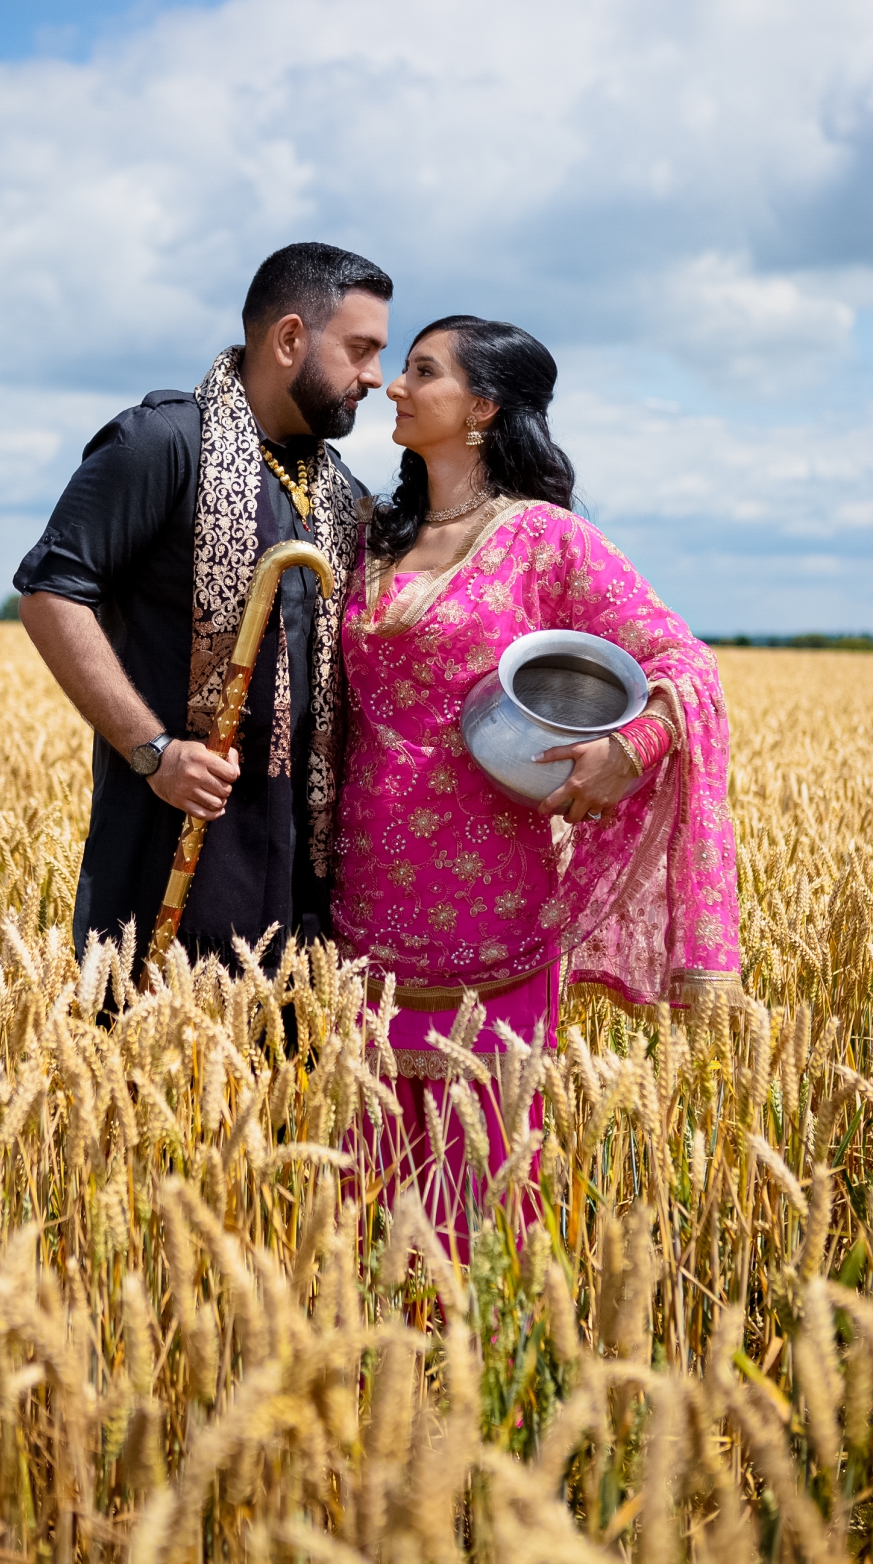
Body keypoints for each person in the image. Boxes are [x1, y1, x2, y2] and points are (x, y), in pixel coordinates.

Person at [330, 315, 740, 1209]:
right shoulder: (370, 538)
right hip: (360, 909)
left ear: (482, 406)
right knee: (357, 1201)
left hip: (495, 921)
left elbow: (685, 663)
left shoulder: (545, 541)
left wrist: (627, 751)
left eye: (421, 371)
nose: (393, 387)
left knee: (480, 1186)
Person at [14, 245, 392, 972]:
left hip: (302, 874)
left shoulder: (339, 488)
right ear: (289, 340)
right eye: (360, 349)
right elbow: (51, 593)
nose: (374, 376)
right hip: (167, 850)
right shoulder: (162, 441)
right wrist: (154, 751)